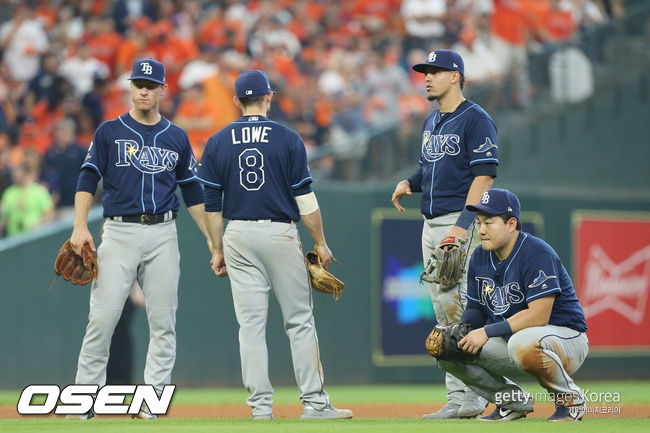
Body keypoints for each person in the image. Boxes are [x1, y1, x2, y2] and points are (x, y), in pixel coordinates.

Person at [197, 70, 353, 421]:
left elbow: (211, 203)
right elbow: (305, 198)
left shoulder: (219, 141)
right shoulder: (287, 138)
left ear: (237, 101)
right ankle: (314, 404)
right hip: (278, 231)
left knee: (250, 326)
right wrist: (321, 242)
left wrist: (217, 249)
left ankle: (261, 410)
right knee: (298, 321)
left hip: (237, 234)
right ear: (269, 97)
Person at [68, 58, 210, 420]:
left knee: (164, 323)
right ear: (130, 87)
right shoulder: (109, 132)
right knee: (101, 320)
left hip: (164, 232)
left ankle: (152, 405)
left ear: (163, 90)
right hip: (119, 230)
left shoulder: (177, 136)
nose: (144, 90)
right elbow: (88, 178)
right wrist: (79, 227)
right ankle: (84, 402)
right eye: (138, 83)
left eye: (151, 84)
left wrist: (213, 239)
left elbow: (192, 192)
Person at [391, 49, 497, 419]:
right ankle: (460, 398)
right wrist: (409, 182)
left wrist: (463, 225)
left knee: (460, 308)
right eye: (425, 71)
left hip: (458, 220)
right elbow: (430, 169)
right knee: (442, 312)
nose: (427, 77)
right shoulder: (431, 122)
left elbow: (483, 175)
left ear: (456, 76)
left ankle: (478, 394)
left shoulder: (476, 119)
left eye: (435, 71)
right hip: (430, 222)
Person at [438, 188, 588, 422]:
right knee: (449, 350)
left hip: (565, 338)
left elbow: (538, 316)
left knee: (522, 342)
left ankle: (571, 401)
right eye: (479, 222)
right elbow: (476, 309)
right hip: (514, 342)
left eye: (489, 222)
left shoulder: (537, 252)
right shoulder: (479, 256)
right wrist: (462, 332)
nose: (482, 230)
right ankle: (511, 402)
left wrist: (486, 332)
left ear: (511, 224)